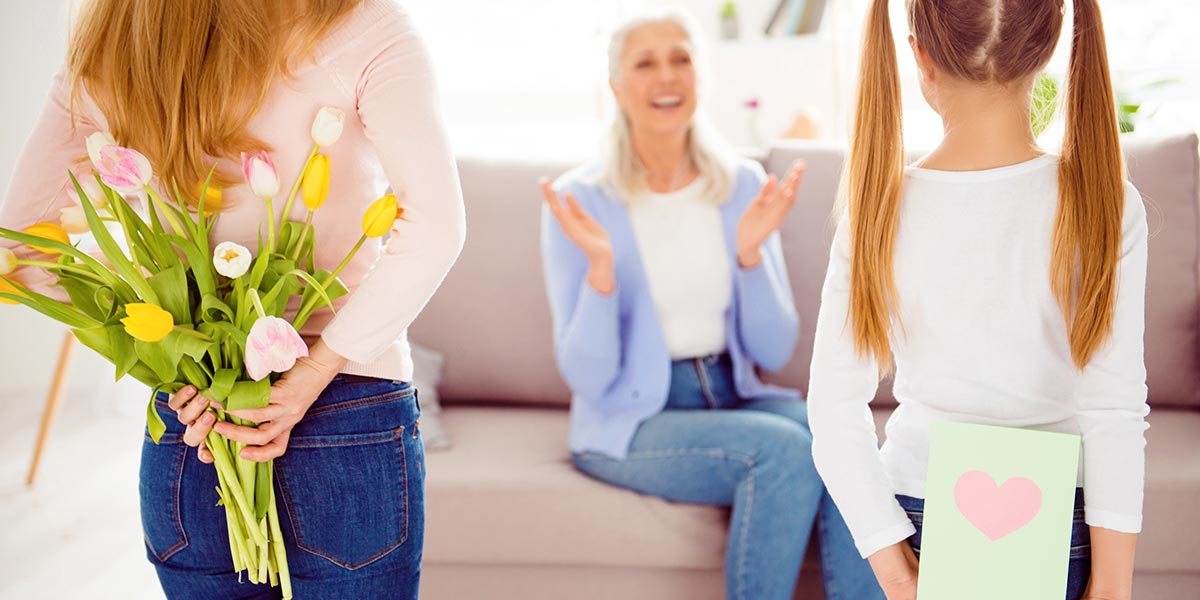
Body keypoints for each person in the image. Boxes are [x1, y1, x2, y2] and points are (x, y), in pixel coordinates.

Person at [0, 0, 465, 597]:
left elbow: (20, 253)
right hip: (346, 407)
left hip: (191, 420)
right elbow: (435, 227)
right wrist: (317, 365)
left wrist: (168, 361)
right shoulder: (359, 21)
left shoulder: (115, 38)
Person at [807, 1, 1147, 599]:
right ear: (1047, 46)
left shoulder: (877, 213)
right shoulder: (1108, 202)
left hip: (918, 512)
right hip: (1060, 516)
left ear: (920, 56)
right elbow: (1114, 408)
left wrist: (895, 572)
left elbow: (834, 410)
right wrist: (1113, 586)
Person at [539, 10, 883, 600]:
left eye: (681, 58)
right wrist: (601, 273)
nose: (666, 76)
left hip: (730, 393)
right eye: (644, 63)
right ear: (617, 87)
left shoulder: (743, 186)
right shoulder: (579, 201)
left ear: (703, 76)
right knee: (783, 452)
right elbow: (589, 378)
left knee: (846, 434)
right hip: (633, 420)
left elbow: (775, 349)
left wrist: (749, 255)